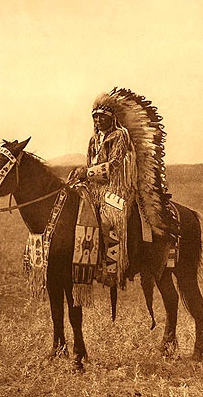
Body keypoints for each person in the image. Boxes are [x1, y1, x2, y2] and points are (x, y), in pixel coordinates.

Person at [72, 94, 143, 287]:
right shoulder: (93, 140)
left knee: (106, 221)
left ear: (112, 118)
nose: (98, 120)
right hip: (93, 188)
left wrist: (86, 172)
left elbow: (114, 166)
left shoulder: (120, 136)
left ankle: (113, 269)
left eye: (102, 116)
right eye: (95, 116)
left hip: (115, 189)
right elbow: (89, 164)